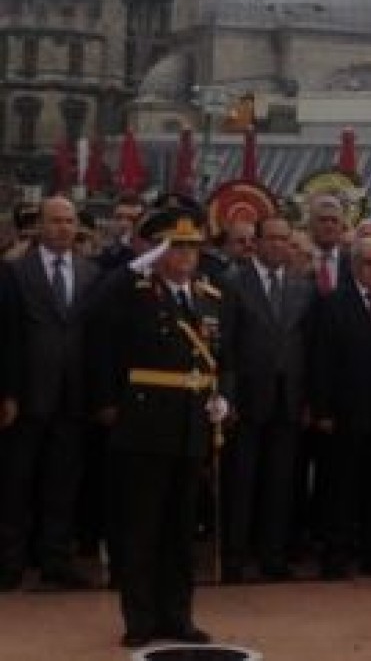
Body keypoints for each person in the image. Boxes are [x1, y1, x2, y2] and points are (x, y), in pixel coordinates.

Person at [87, 207, 234, 648]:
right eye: (176, 246)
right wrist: (139, 262)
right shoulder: (133, 291)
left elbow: (225, 356)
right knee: (141, 527)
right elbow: (95, 319)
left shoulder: (211, 295)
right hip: (145, 424)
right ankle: (140, 617)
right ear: (158, 251)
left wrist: (223, 395)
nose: (186, 255)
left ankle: (178, 615)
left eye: (192, 246)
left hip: (192, 426)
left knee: (180, 529)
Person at [0, 196, 101, 591]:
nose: (63, 228)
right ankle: (9, 563)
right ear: (39, 226)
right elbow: (7, 337)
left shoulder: (91, 273)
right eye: (55, 221)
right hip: (26, 397)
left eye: (70, 221)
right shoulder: (13, 273)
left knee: (63, 484)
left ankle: (55, 560)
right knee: (15, 483)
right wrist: (7, 393)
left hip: (73, 398)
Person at [220, 216, 316, 583]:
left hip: (288, 398)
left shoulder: (301, 287)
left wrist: (308, 399)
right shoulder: (231, 283)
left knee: (280, 483)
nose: (279, 245)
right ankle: (233, 557)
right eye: (272, 239)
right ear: (256, 243)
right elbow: (224, 345)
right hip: (245, 398)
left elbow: (308, 346)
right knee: (240, 482)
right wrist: (226, 397)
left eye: (284, 239)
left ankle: (272, 556)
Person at [312, 237, 371, 580]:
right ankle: (336, 556)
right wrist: (322, 409)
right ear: (354, 266)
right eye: (368, 263)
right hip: (346, 413)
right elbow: (321, 360)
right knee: (341, 490)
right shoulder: (333, 303)